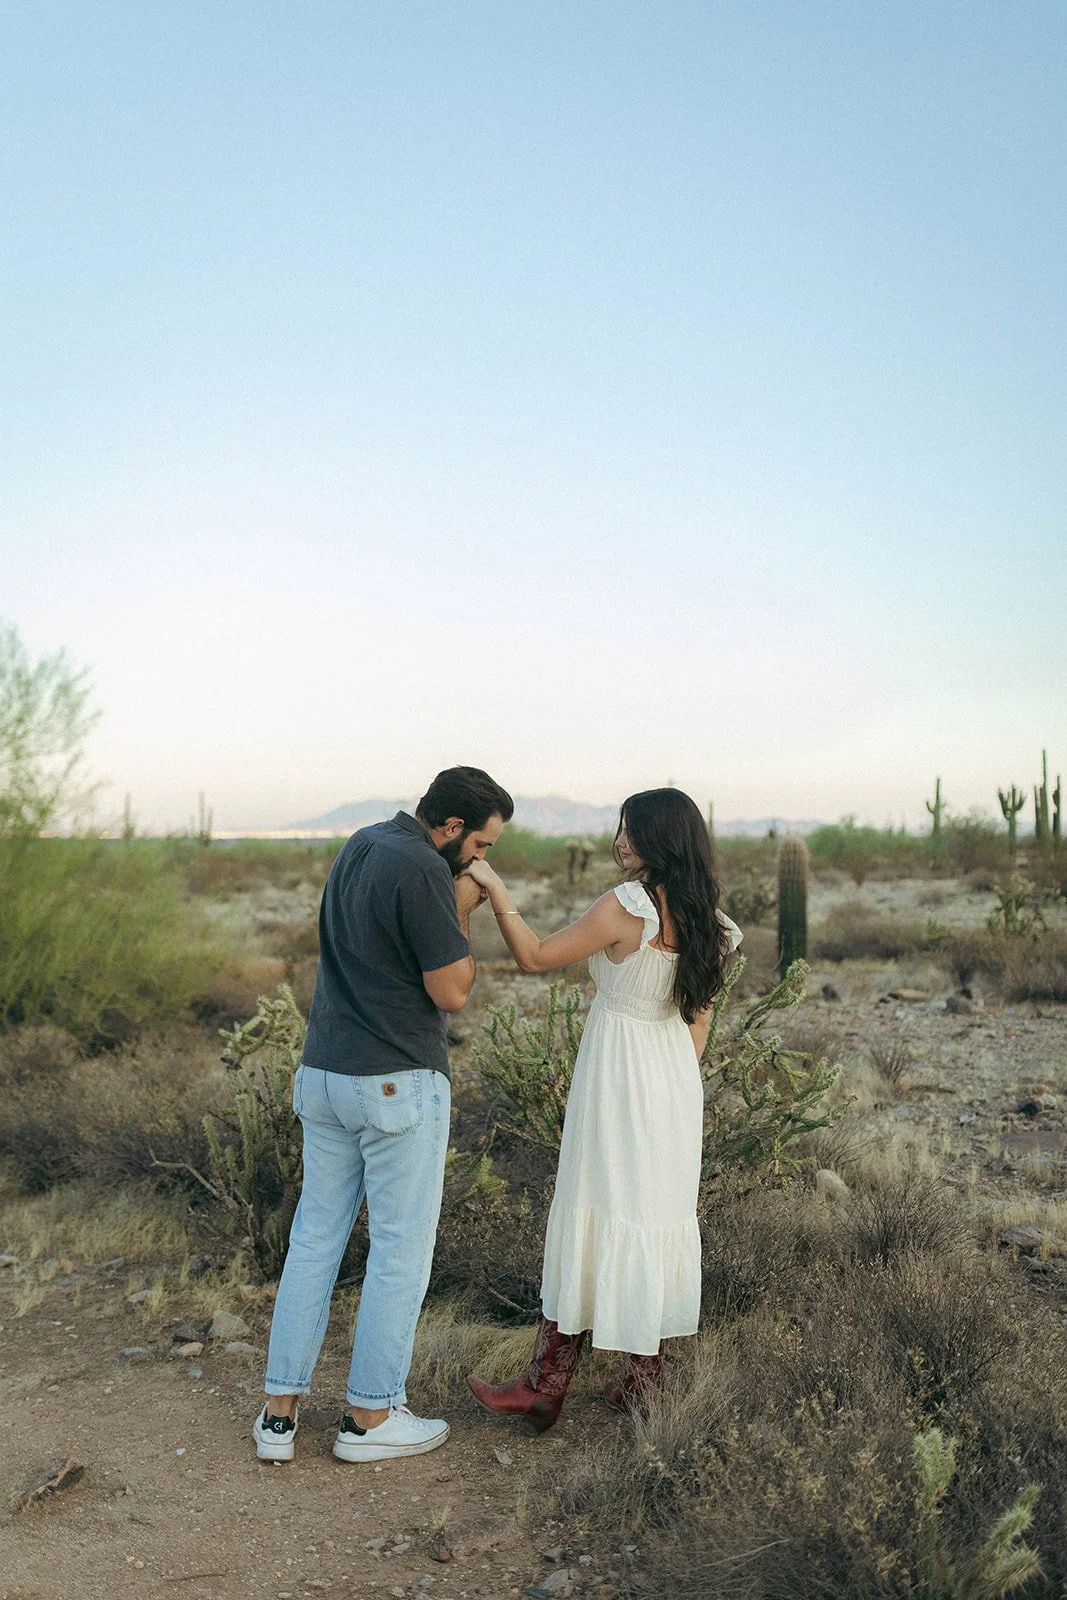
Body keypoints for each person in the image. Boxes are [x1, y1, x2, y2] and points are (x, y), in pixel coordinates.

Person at [253, 766, 513, 1464]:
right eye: (482, 847)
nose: (482, 859)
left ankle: (279, 1416)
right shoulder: (423, 869)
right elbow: (451, 989)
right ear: (451, 828)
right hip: (395, 1080)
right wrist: (473, 910)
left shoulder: (363, 844)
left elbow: (386, 952)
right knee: (399, 1249)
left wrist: (452, 902)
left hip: (324, 1073)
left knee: (314, 1239)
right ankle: (369, 1419)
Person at [465, 787, 742, 1429]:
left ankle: (546, 1383)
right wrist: (673, 1091)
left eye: (632, 830)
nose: (621, 841)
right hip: (672, 1081)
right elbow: (697, 1021)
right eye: (619, 828)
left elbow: (535, 957)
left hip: (617, 1072)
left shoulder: (627, 907)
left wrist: (497, 893)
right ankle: (644, 1381)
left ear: (661, 840)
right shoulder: (712, 922)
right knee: (651, 1212)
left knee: (594, 1199)